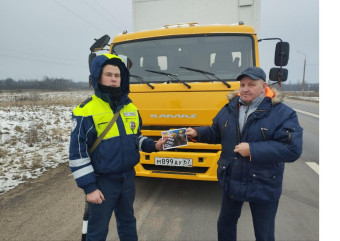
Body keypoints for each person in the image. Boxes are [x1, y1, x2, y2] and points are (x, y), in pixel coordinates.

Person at [186, 67, 303, 241]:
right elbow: (217, 132)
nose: (245, 88)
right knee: (225, 226)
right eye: (242, 84)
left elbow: (292, 149)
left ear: (263, 86)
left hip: (264, 183)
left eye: (251, 84)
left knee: (264, 234)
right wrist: (197, 133)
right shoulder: (229, 108)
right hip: (232, 179)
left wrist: (253, 150)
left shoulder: (282, 113)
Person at [69, 54, 165, 241]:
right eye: (109, 74)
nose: (114, 79)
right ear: (98, 76)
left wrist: (153, 145)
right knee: (97, 231)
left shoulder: (131, 108)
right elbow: (77, 154)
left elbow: (136, 137)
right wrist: (89, 188)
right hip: (102, 183)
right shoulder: (85, 111)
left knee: (128, 222)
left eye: (117, 75)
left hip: (127, 179)